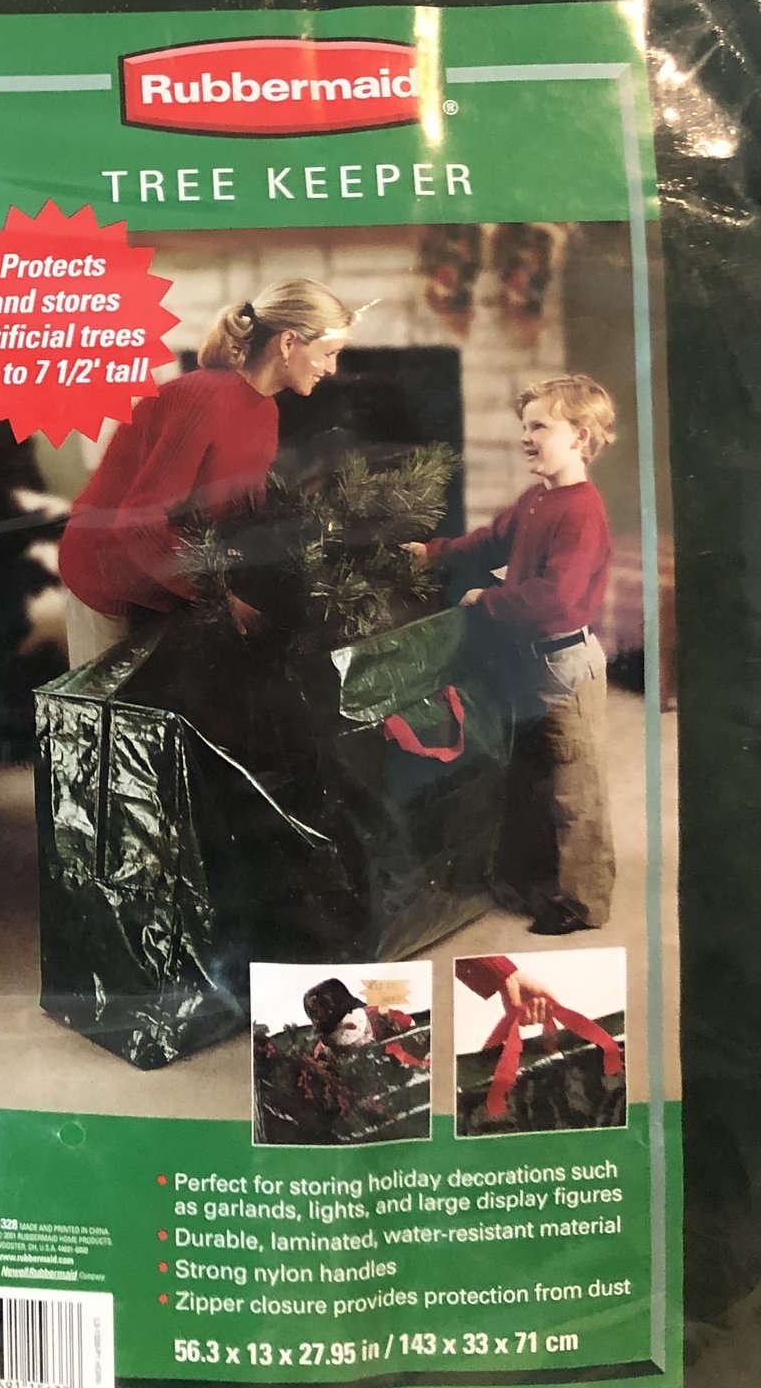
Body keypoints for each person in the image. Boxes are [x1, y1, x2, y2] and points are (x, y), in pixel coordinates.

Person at [405, 375, 617, 934]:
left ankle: (585, 901)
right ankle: (537, 879)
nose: (526, 437)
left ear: (580, 436)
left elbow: (557, 597)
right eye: (524, 426)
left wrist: (486, 600)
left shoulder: (582, 510)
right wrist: (434, 553)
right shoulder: (538, 498)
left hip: (565, 668)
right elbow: (491, 541)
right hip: (530, 663)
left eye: (539, 427)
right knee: (533, 777)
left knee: (575, 789)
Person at [57, 278, 361, 666]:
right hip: (110, 579)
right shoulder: (202, 399)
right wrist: (219, 597)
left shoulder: (264, 411)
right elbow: (138, 524)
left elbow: (238, 517)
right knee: (109, 703)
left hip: (168, 578)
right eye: (329, 353)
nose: (332, 369)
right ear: (288, 343)